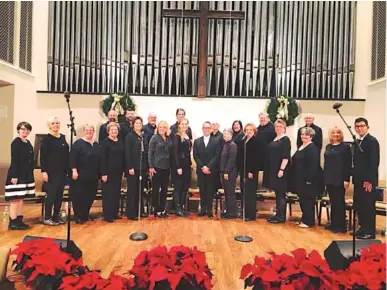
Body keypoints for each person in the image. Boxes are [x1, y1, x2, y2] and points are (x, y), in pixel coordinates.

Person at [352, 118, 380, 239]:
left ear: (367, 127)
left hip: (368, 180)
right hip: (358, 180)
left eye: (362, 126)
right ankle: (362, 228)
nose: (360, 128)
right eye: (357, 126)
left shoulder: (371, 141)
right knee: (360, 205)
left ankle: (369, 231)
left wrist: (369, 180)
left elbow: (373, 162)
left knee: (368, 206)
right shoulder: (358, 141)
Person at [5, 122, 35, 230]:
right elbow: (15, 160)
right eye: (23, 129)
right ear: (18, 130)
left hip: (25, 174)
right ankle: (13, 222)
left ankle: (18, 220)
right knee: (15, 199)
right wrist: (14, 175)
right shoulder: (16, 143)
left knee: (21, 198)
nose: (25, 131)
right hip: (16, 174)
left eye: (27, 130)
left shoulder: (28, 143)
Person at [40, 117, 69, 226]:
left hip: (62, 172)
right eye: (53, 123)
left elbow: (66, 154)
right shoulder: (46, 139)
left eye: (57, 123)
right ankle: (47, 217)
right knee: (51, 195)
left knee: (59, 195)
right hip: (51, 172)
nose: (56, 125)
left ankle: (56, 216)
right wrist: (44, 171)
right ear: (50, 126)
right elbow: (43, 157)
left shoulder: (63, 138)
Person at [70, 124, 100, 224]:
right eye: (87, 130)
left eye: (91, 130)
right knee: (79, 195)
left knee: (90, 195)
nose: (89, 132)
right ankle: (78, 215)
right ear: (83, 131)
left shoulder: (95, 144)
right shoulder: (78, 144)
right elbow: (72, 158)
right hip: (80, 174)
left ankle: (85, 213)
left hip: (93, 174)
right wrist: (74, 170)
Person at [323, 127, 351, 233]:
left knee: (339, 202)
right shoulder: (328, 146)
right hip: (329, 178)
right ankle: (333, 223)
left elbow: (347, 164)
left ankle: (341, 226)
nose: (336, 134)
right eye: (333, 133)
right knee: (333, 202)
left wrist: (346, 179)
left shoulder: (345, 147)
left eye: (338, 133)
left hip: (340, 178)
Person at [291, 127, 320, 228]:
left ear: (311, 136)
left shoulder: (312, 148)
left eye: (306, 135)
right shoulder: (301, 146)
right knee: (302, 200)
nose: (304, 136)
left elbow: (313, 165)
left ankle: (309, 221)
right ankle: (304, 218)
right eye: (302, 134)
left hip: (308, 180)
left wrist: (309, 179)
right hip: (299, 178)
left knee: (308, 200)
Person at [265, 119, 291, 224]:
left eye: (280, 126)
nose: (278, 128)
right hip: (273, 169)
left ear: (284, 128)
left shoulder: (285, 139)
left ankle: (281, 217)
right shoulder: (275, 138)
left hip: (280, 170)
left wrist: (282, 169)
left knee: (281, 194)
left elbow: (286, 156)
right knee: (277, 193)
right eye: (276, 126)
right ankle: (277, 214)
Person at [193, 121, 221, 218]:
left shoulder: (216, 141)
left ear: (211, 129)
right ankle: (203, 209)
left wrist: (208, 167)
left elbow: (217, 155)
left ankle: (209, 210)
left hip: (211, 170)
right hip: (201, 170)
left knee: (210, 190)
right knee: (202, 190)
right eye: (205, 128)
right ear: (202, 129)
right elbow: (195, 156)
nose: (207, 129)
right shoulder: (197, 141)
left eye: (208, 128)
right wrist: (203, 167)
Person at [100, 122, 124, 222]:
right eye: (112, 130)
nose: (114, 131)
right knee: (108, 194)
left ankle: (114, 212)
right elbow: (102, 159)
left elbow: (122, 157)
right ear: (108, 131)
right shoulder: (105, 142)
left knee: (116, 193)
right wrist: (103, 173)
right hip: (108, 172)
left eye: (115, 130)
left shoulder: (120, 141)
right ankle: (107, 215)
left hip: (118, 172)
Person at [125, 116, 149, 220]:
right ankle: (131, 213)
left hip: (142, 167)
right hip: (133, 168)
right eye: (136, 123)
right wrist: (130, 167)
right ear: (133, 125)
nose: (138, 125)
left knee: (140, 191)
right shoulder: (130, 136)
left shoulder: (143, 136)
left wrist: (147, 166)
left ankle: (140, 211)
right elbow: (127, 153)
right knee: (132, 191)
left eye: (140, 123)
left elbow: (146, 152)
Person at [149, 121, 172, 218]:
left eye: (164, 127)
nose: (162, 129)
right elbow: (150, 153)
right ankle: (156, 209)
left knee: (164, 190)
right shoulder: (154, 138)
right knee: (155, 190)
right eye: (160, 127)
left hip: (166, 167)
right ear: (157, 128)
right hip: (156, 167)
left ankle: (163, 209)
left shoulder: (168, 138)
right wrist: (151, 166)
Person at [236, 123, 259, 221]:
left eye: (251, 130)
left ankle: (251, 214)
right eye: (247, 130)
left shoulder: (256, 141)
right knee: (244, 192)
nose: (249, 131)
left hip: (251, 171)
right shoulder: (244, 141)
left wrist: (251, 171)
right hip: (243, 170)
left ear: (254, 131)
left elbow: (256, 159)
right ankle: (244, 212)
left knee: (250, 193)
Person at [171, 119, 192, 216]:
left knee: (185, 187)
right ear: (179, 125)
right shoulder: (177, 136)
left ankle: (183, 207)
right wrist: (178, 166)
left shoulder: (188, 136)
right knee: (178, 187)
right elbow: (175, 152)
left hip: (187, 165)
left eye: (185, 124)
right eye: (182, 124)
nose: (184, 126)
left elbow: (188, 152)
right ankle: (177, 208)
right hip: (179, 166)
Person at [220, 128, 238, 219]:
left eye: (227, 134)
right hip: (224, 172)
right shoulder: (225, 145)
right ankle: (228, 211)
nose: (225, 135)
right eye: (224, 134)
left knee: (230, 193)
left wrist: (226, 171)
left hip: (230, 173)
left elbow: (232, 160)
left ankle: (232, 213)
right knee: (227, 193)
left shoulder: (232, 145)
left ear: (231, 135)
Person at [256, 112, 276, 186]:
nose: (262, 119)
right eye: (261, 118)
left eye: (264, 118)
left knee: (269, 173)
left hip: (270, 155)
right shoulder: (257, 129)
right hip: (259, 155)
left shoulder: (273, 128)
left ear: (268, 118)